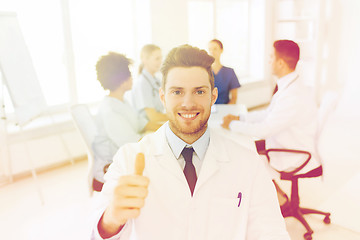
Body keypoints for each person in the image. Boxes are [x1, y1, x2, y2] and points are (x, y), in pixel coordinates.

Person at [91, 45, 290, 240]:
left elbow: (271, 230)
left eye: (199, 92)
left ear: (213, 97)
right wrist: (111, 218)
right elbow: (97, 232)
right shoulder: (129, 158)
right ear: (163, 97)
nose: (188, 102)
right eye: (177, 92)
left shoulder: (246, 160)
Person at [221, 40, 319, 207]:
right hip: (289, 141)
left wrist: (232, 125)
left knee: (245, 155)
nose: (269, 61)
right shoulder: (289, 85)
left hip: (293, 152)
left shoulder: (292, 95)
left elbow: (265, 129)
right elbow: (268, 114)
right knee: (246, 147)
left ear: (280, 63)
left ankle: (278, 200)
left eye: (271, 57)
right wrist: (241, 118)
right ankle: (277, 197)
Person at [92, 52, 161, 191]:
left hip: (126, 156)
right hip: (110, 169)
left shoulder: (122, 102)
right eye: (129, 73)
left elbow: (143, 123)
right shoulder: (110, 110)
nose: (132, 77)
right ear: (122, 80)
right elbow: (132, 143)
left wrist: (169, 127)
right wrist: (162, 139)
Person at [131, 44, 168, 122]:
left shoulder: (157, 81)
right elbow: (153, 117)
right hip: (148, 129)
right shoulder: (142, 83)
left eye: (161, 58)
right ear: (145, 60)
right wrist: (174, 117)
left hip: (158, 124)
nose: (160, 61)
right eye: (157, 59)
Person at [208, 39, 241, 104]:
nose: (212, 52)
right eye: (210, 49)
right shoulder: (204, 72)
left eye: (215, 49)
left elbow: (234, 97)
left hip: (225, 108)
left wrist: (226, 111)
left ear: (221, 50)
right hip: (208, 109)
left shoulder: (230, 72)